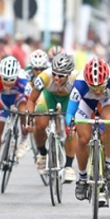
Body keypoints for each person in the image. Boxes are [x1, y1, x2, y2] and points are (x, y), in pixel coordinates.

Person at [65, 57, 110, 202]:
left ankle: (109, 162)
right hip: (86, 103)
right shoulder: (80, 84)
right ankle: (82, 178)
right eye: (93, 87)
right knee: (83, 138)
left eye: (100, 87)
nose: (97, 91)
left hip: (108, 100)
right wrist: (70, 124)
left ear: (107, 80)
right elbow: (70, 113)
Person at [27, 53, 78, 182]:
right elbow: (31, 100)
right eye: (54, 74)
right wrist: (29, 116)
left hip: (69, 99)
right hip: (49, 97)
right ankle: (43, 154)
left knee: (71, 130)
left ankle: (68, 167)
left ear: (69, 74)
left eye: (61, 76)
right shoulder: (44, 77)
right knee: (39, 125)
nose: (56, 78)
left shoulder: (76, 79)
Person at [0, 56, 30, 181]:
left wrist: (29, 117)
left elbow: (32, 101)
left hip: (19, 98)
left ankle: (23, 140)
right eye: (5, 80)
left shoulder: (23, 80)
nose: (8, 83)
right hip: (2, 100)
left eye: (11, 80)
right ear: (0, 75)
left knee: (24, 112)